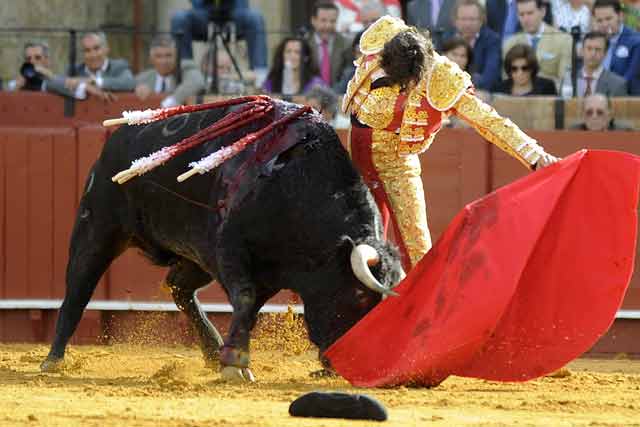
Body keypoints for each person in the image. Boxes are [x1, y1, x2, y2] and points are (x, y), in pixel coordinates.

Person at [344, 16, 559, 270]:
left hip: (395, 164)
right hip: (352, 159)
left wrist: (534, 156)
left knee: (417, 249)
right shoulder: (381, 40)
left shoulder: (442, 78)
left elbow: (488, 120)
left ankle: (419, 309)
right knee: (353, 243)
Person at [170, 0, 268, 86]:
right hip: (204, 13)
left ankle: (261, 79)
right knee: (179, 18)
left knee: (255, 17)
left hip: (234, 11)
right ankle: (186, 74)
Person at [503, 0, 573, 88]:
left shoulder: (563, 40)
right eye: (522, 14)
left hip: (549, 97)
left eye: (530, 13)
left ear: (543, 12)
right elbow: (506, 82)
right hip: (518, 99)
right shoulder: (510, 44)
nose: (526, 19)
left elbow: (564, 82)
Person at [48, 32, 135, 101]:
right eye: (87, 50)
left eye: (96, 48)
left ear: (106, 49)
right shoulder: (74, 70)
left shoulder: (119, 66)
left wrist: (94, 81)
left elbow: (129, 83)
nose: (93, 55)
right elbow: (51, 82)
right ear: (82, 54)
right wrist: (84, 87)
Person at [442, 0, 502, 91]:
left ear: (482, 20)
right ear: (455, 21)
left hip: (480, 94)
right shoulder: (447, 37)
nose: (467, 24)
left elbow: (490, 77)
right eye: (463, 19)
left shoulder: (492, 40)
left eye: (472, 19)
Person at [134, 35, 205, 108]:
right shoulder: (143, 78)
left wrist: (174, 100)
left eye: (168, 55)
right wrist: (137, 88)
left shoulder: (185, 68)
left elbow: (197, 81)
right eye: (158, 56)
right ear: (151, 59)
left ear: (176, 56)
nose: (164, 61)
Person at [591, 0, 640, 94]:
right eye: (599, 20)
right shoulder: (595, 41)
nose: (604, 24)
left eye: (608, 19)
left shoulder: (636, 42)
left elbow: (628, 80)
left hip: (626, 101)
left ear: (620, 16)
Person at [559, 31, 628, 96]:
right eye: (589, 48)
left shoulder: (617, 84)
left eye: (598, 49)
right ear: (581, 51)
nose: (593, 54)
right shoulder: (568, 80)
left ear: (605, 53)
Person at [305, 1, 354, 87]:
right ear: (313, 20)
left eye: (332, 21)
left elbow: (348, 76)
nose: (328, 25)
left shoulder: (346, 45)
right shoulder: (304, 44)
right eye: (323, 21)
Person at [5, 41, 74, 97]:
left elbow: (73, 90)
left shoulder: (54, 80)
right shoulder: (17, 83)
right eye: (28, 59)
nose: (32, 61)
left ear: (47, 61)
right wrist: (16, 87)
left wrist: (50, 76)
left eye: (37, 58)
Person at [494, 43, 559, 94]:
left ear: (532, 68)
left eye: (525, 68)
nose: (520, 73)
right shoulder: (499, 89)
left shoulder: (547, 88)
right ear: (509, 70)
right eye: (514, 68)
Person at [569, 93, 634, 129]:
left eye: (600, 112)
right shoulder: (573, 132)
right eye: (589, 112)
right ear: (583, 115)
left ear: (609, 115)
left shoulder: (624, 132)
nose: (594, 117)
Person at [335, 0, 401, 34]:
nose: (370, 25)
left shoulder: (389, 2)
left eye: (374, 21)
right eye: (366, 22)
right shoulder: (340, 3)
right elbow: (338, 30)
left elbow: (396, 26)